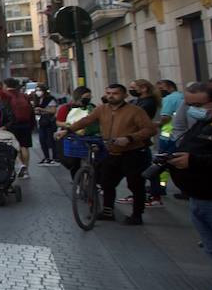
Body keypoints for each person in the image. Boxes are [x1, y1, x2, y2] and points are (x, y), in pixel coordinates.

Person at [57, 83, 158, 224]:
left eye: (115, 93)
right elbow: (86, 120)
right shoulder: (102, 109)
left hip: (133, 152)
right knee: (106, 182)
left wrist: (129, 138)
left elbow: (150, 130)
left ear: (124, 95)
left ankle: (137, 214)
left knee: (135, 184)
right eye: (108, 93)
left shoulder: (135, 111)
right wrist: (68, 130)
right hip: (111, 151)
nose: (111, 96)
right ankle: (107, 211)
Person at [167, 81, 212, 290]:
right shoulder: (204, 122)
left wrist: (193, 161)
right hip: (199, 196)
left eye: (196, 104)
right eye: (188, 104)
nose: (191, 110)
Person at [128, 79, 163, 209]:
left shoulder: (147, 103)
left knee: (146, 167)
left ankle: (154, 195)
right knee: (142, 168)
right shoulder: (140, 101)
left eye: (133, 87)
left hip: (141, 139)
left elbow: (133, 118)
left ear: (143, 89)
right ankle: (141, 194)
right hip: (139, 139)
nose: (130, 90)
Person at [1, 78, 34, 178]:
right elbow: (31, 110)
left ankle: (20, 167)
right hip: (26, 124)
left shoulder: (6, 96)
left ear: (6, 85)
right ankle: (26, 170)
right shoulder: (24, 96)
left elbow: (4, 110)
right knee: (25, 147)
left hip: (12, 125)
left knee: (16, 147)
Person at [34, 84, 58, 165]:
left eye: (40, 90)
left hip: (49, 122)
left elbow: (53, 111)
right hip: (41, 122)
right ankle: (46, 157)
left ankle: (55, 158)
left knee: (51, 140)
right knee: (42, 140)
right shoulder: (37, 100)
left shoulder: (50, 99)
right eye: (37, 90)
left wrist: (42, 109)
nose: (38, 92)